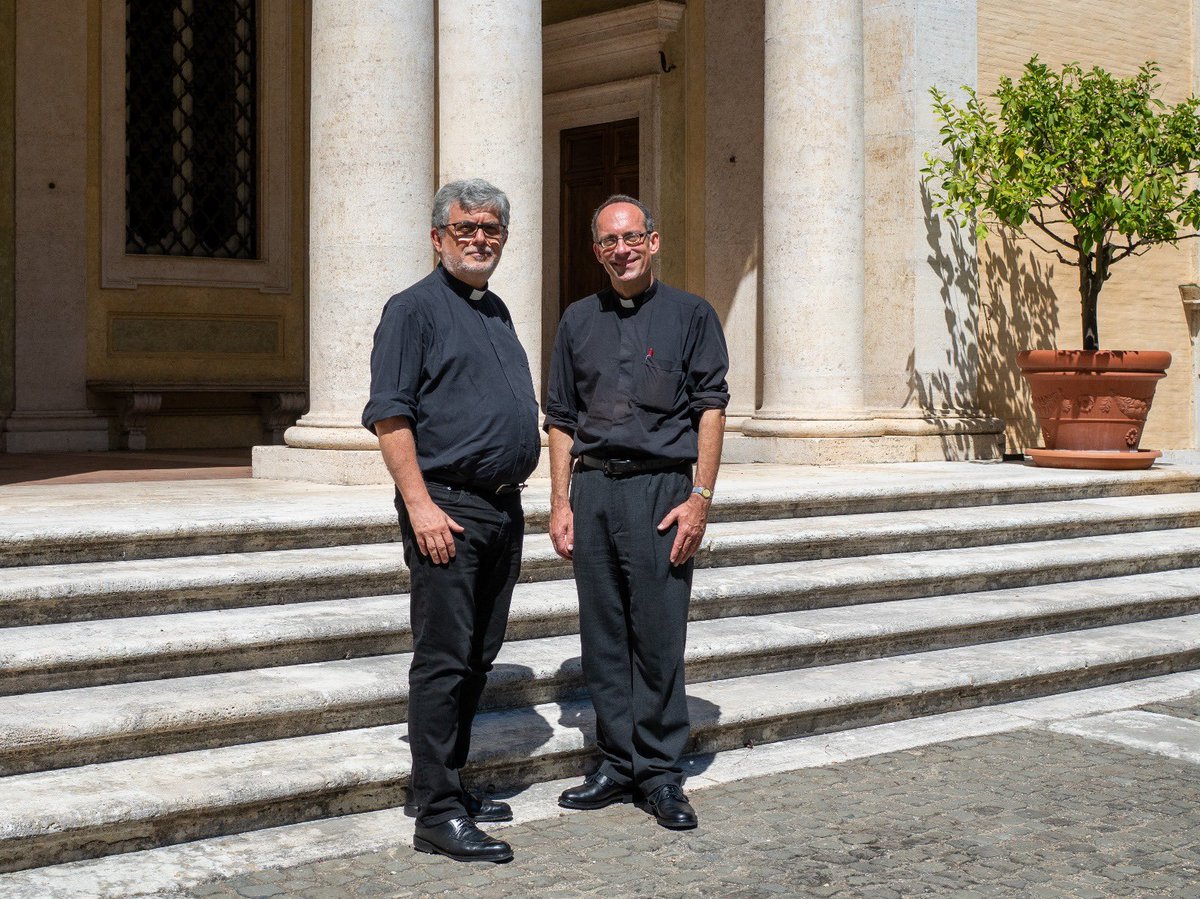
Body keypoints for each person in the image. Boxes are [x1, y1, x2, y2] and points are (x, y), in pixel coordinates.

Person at [362, 178, 539, 863]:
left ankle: (447, 783)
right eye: (464, 228)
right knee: (442, 659)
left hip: (501, 507)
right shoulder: (411, 310)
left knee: (478, 653)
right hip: (448, 509)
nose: (479, 238)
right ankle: (436, 810)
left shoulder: (495, 310)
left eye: (490, 228)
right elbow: (390, 413)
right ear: (437, 238)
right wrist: (421, 504)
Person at [544, 195, 730, 830]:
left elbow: (711, 408)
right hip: (594, 493)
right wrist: (560, 501)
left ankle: (659, 771)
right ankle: (615, 762)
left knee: (657, 634)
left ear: (654, 242)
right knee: (603, 635)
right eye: (606, 242)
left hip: (661, 493)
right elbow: (562, 420)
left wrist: (699, 499)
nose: (619, 251)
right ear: (597, 250)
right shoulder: (576, 320)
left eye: (630, 239)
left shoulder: (691, 315)